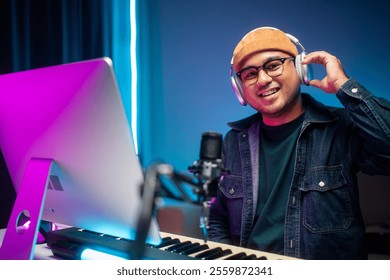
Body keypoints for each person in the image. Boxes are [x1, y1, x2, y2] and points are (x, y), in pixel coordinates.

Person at [208, 26, 390, 260]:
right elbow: (218, 218)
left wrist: (344, 87)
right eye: (250, 74)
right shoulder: (233, 140)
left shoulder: (341, 126)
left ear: (300, 68)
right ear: (240, 88)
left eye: (273, 65)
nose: (263, 80)